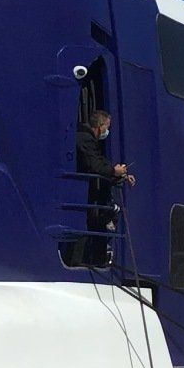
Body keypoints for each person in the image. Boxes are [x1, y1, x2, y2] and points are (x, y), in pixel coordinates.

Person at [73, 110, 132, 267]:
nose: (107, 131)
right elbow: (94, 164)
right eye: (107, 127)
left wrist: (120, 173)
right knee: (86, 224)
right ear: (99, 126)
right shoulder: (85, 139)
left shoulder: (86, 139)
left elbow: (99, 161)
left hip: (84, 193)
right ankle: (84, 259)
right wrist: (114, 171)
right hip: (82, 193)